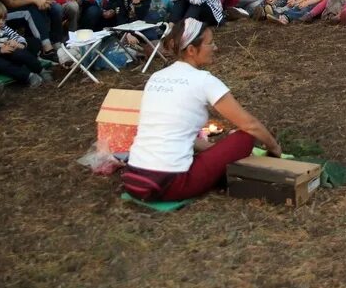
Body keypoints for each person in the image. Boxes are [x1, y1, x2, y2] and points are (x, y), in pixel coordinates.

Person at [120, 21, 280, 202]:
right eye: (210, 43)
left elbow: (171, 131)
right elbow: (250, 125)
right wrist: (273, 147)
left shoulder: (156, 78)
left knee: (220, 147)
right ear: (191, 50)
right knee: (244, 137)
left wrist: (215, 150)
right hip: (170, 184)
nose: (215, 47)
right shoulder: (203, 80)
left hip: (134, 179)